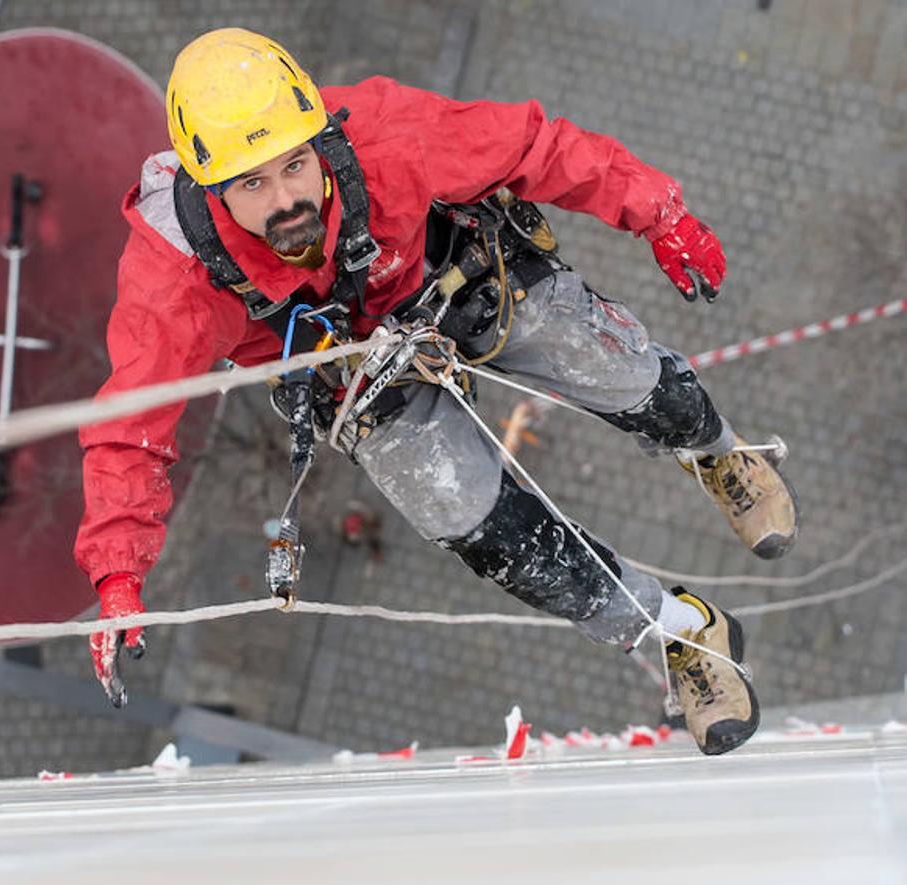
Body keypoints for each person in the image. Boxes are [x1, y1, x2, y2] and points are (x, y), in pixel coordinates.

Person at [74, 28, 798, 755]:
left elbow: (535, 148)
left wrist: (659, 215)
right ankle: (680, 632)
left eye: (294, 166)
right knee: (484, 528)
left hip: (454, 280)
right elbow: (130, 426)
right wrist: (118, 575)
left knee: (614, 365)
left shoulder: (383, 133)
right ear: (210, 189)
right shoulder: (175, 275)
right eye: (252, 185)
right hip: (356, 374)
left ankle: (718, 453)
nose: (288, 200)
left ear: (316, 139)